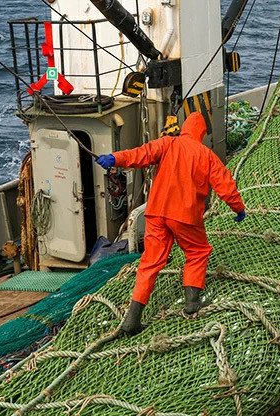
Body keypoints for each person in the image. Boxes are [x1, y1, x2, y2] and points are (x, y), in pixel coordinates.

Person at [95, 112, 246, 334]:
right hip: (185, 216)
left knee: (150, 262)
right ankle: (192, 304)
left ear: (184, 129)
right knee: (197, 252)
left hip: (156, 213)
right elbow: (225, 185)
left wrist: (114, 158)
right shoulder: (206, 155)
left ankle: (132, 319)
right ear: (201, 133)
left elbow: (140, 154)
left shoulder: (167, 143)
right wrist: (238, 208)